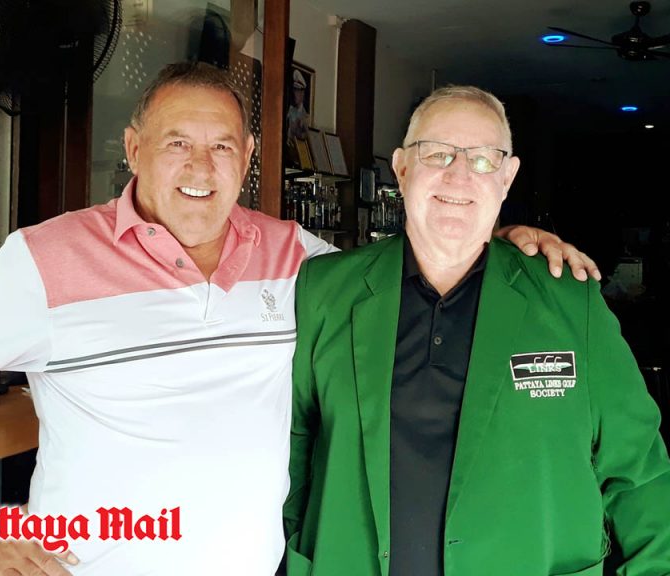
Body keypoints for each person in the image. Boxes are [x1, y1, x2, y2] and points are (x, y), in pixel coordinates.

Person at [0, 63, 596, 576]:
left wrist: (501, 241)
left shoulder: (295, 256)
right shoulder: (45, 258)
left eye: (223, 146)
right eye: (177, 143)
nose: (201, 167)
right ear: (134, 148)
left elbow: (409, 268)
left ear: (249, 157)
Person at [284, 86, 670, 576]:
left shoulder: (572, 301)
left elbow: (640, 472)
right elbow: (291, 449)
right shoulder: (323, 289)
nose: (459, 174)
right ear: (401, 168)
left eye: (484, 159)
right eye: (437, 153)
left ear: (507, 179)